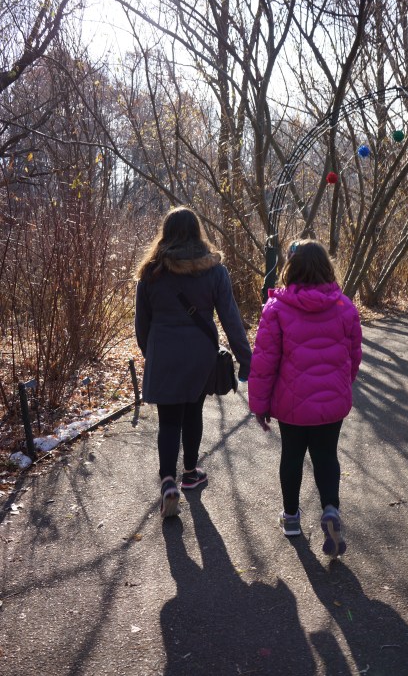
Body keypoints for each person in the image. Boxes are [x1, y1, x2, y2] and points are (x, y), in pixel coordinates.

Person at [135, 206, 252, 519]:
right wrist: (246, 359)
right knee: (193, 411)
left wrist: (152, 353)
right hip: (200, 353)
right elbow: (231, 319)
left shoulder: (151, 272)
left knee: (168, 420)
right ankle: (189, 472)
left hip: (164, 351)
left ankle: (168, 482)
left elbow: (141, 324)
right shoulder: (214, 270)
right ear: (197, 232)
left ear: (166, 232)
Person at [248, 239, 362, 557]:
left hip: (292, 404)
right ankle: (330, 510)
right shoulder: (344, 306)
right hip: (332, 403)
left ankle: (291, 518)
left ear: (291, 268)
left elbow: (264, 362)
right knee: (326, 456)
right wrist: (343, 385)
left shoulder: (276, 309)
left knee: (292, 456)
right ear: (326, 267)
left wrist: (259, 405)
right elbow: (354, 355)